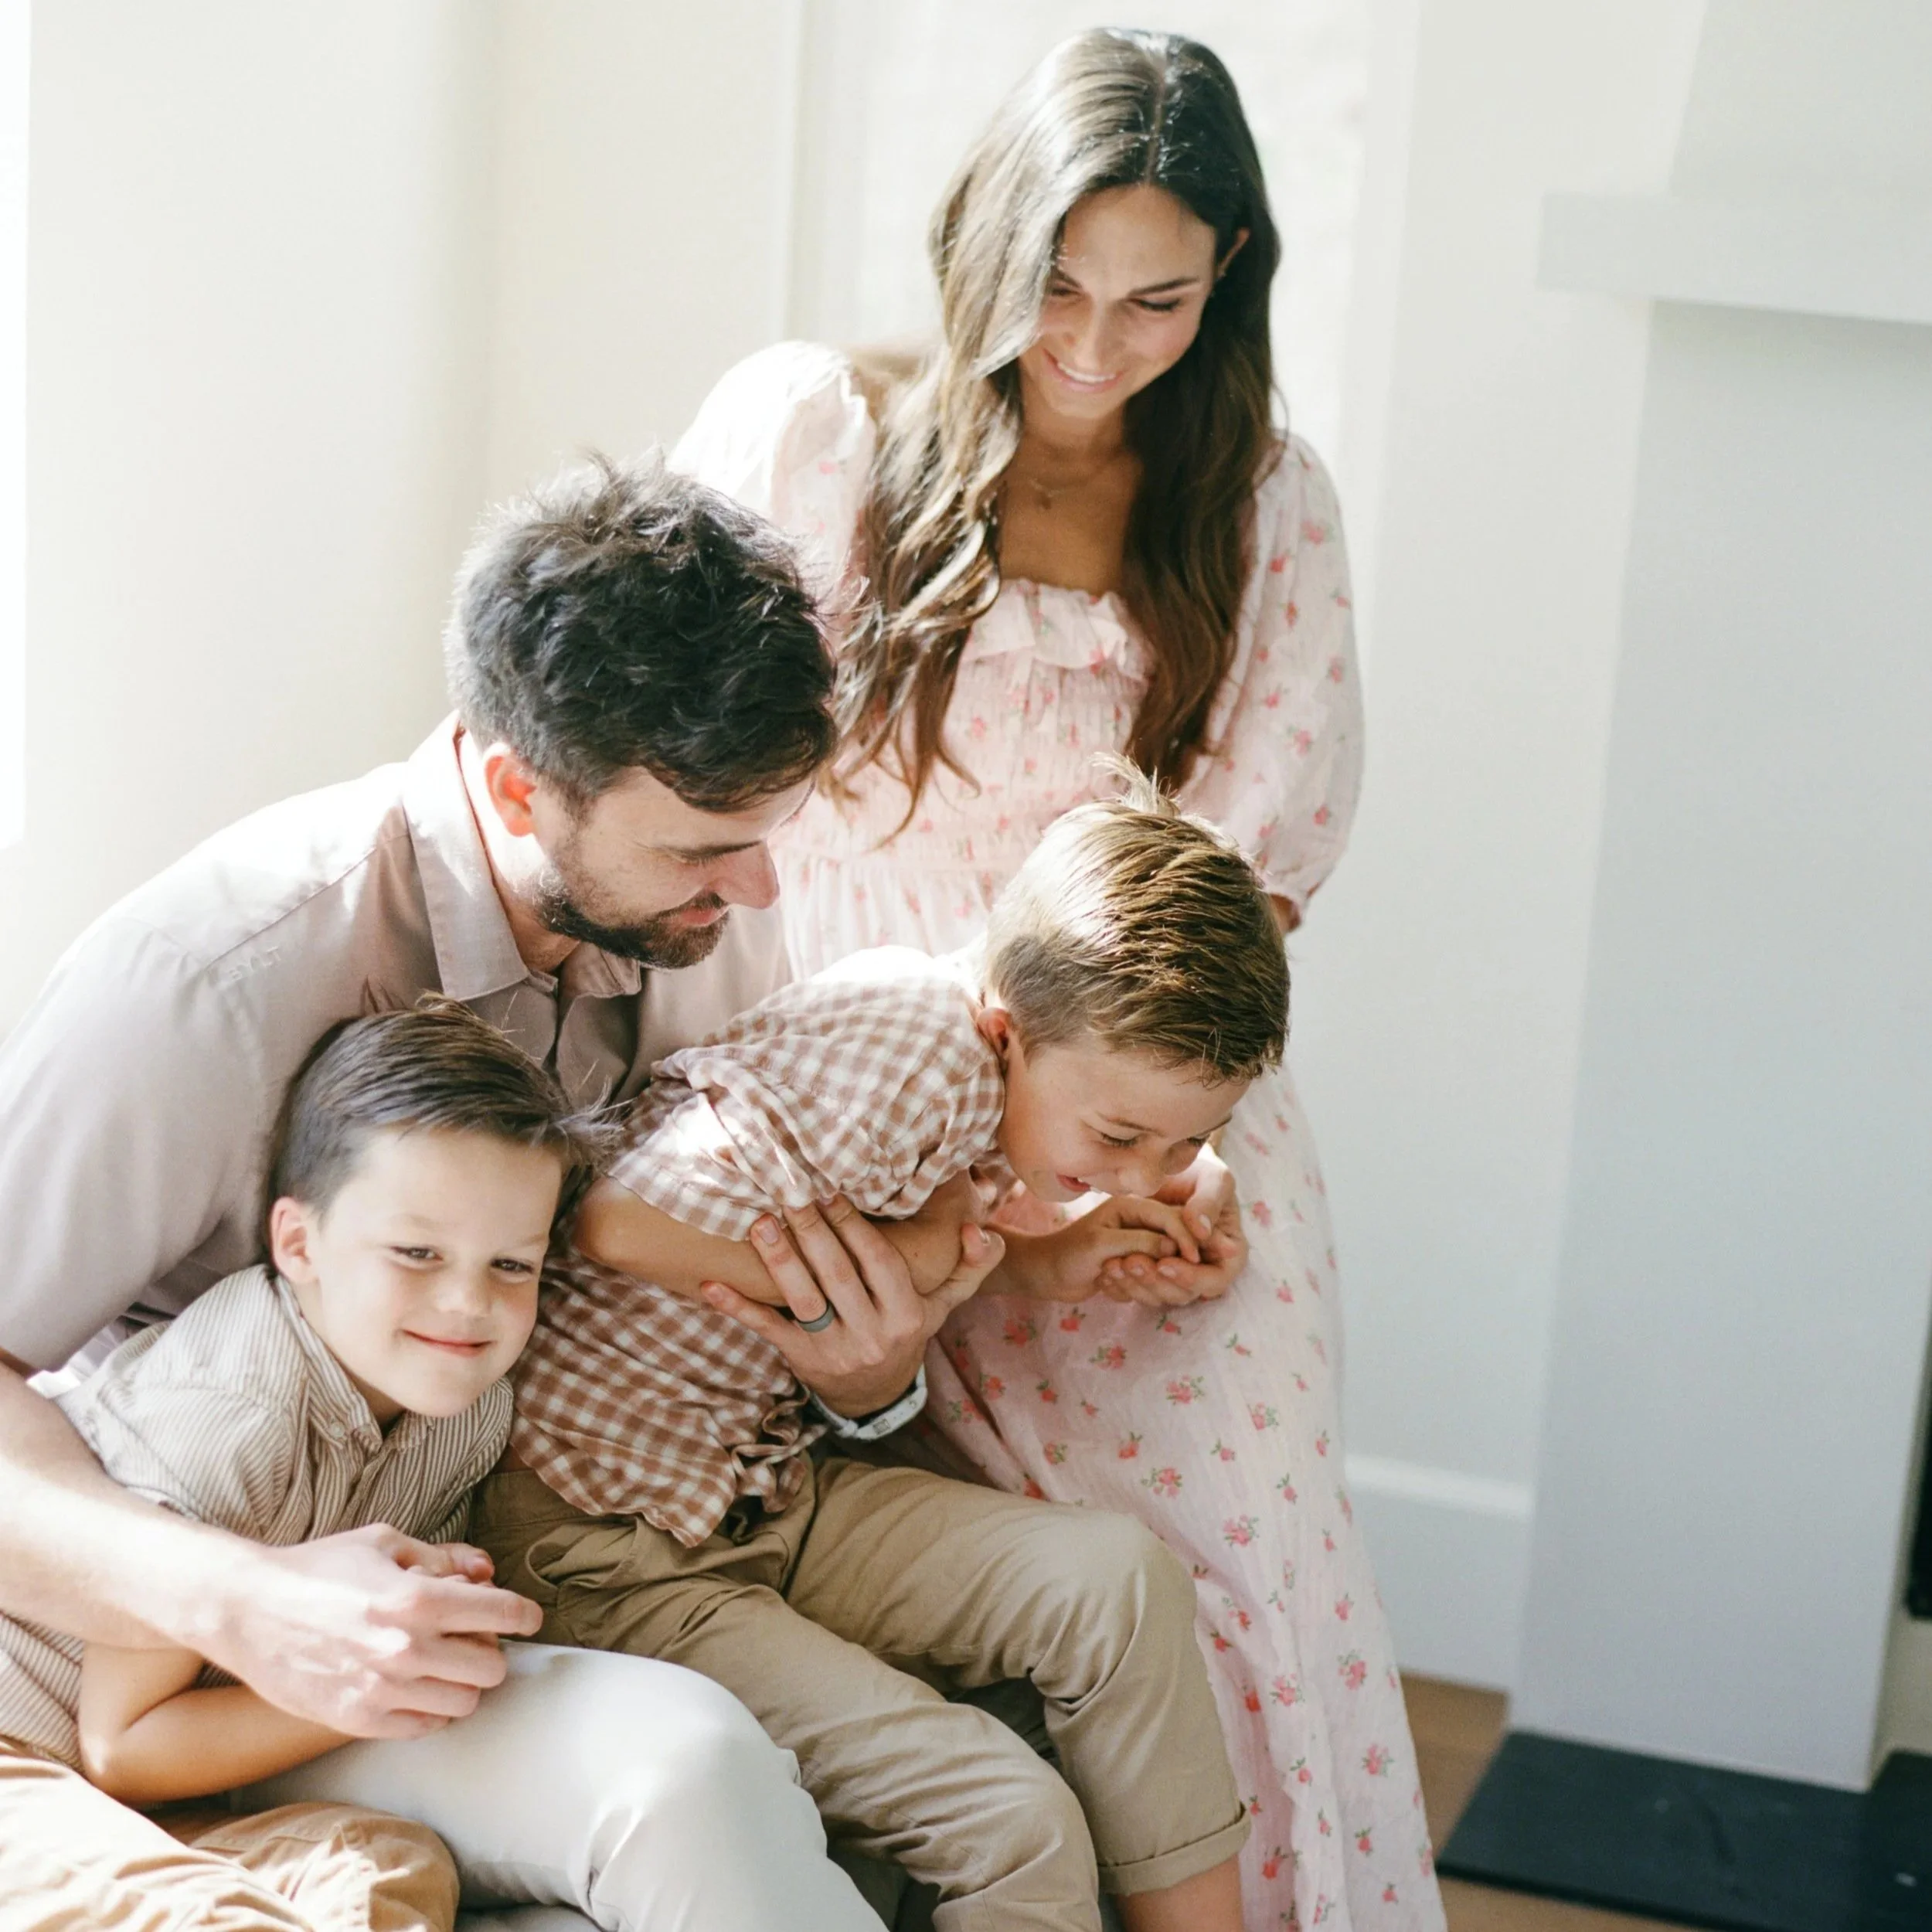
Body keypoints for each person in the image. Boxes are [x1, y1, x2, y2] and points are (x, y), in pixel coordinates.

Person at [671, 29, 1443, 1932]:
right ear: (986, 241)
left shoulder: (1262, 502)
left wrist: (1151, 1160)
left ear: (1229, 276)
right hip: (869, 1082)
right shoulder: (820, 434)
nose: (1093, 343)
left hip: (1144, 1098)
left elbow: (1248, 887)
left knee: (1243, 1532)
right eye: (1057, 283)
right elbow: (675, 769)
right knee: (963, 1572)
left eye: (1155, 298)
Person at [0, 454, 992, 1930]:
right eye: (704, 848)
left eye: (767, 836)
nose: (760, 893)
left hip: (493, 1545)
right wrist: (248, 1604)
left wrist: (870, 1381)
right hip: (161, 1630)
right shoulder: (211, 984)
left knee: (709, 1771)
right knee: (682, 1765)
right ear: (520, 786)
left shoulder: (692, 923)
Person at [478, 769, 1281, 1932]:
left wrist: (1051, 1254)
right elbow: (615, 1223)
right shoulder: (916, 1052)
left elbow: (892, 1244)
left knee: (1118, 1577)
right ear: (1006, 1032)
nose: (1142, 1173)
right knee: (1013, 1817)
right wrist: (898, 1264)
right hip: (604, 1541)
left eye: (1186, 1142)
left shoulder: (995, 1079)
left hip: (759, 1496)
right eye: (1120, 1135)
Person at [0, 1000, 606, 1930]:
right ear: (298, 1243)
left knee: (388, 1872)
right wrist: (389, 1670)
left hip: (135, 1778)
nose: (468, 1302)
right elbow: (124, 1745)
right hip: (37, 1746)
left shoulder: (469, 1405)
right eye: (416, 1252)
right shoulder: (235, 1411)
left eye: (512, 1265)